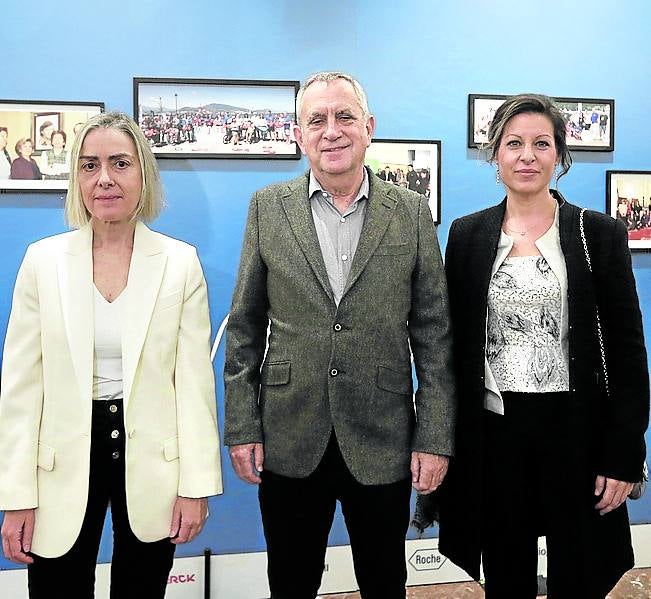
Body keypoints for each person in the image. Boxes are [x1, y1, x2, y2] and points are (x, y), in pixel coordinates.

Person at [224, 71, 455, 599]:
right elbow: (243, 328)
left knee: (383, 580)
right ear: (299, 135)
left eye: (344, 116)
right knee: (291, 579)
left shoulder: (411, 212)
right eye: (317, 120)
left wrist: (434, 436)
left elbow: (435, 336)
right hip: (289, 433)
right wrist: (242, 426)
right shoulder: (267, 207)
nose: (332, 130)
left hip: (382, 434)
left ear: (368, 128)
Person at [0, 112, 222, 598]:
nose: (104, 178)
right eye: (89, 165)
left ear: (143, 174)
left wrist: (196, 483)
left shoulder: (179, 263)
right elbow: (20, 390)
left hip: (152, 465)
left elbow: (193, 385)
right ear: (76, 179)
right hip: (58, 466)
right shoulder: (43, 262)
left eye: (120, 163)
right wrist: (16, 496)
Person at [436, 93, 649, 598]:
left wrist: (624, 453)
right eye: (514, 143)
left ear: (559, 156)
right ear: (496, 156)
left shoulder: (598, 233)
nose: (527, 155)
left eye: (541, 144)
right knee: (505, 570)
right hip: (495, 433)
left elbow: (626, 349)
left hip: (576, 430)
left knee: (581, 572)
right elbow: (453, 347)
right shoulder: (467, 236)